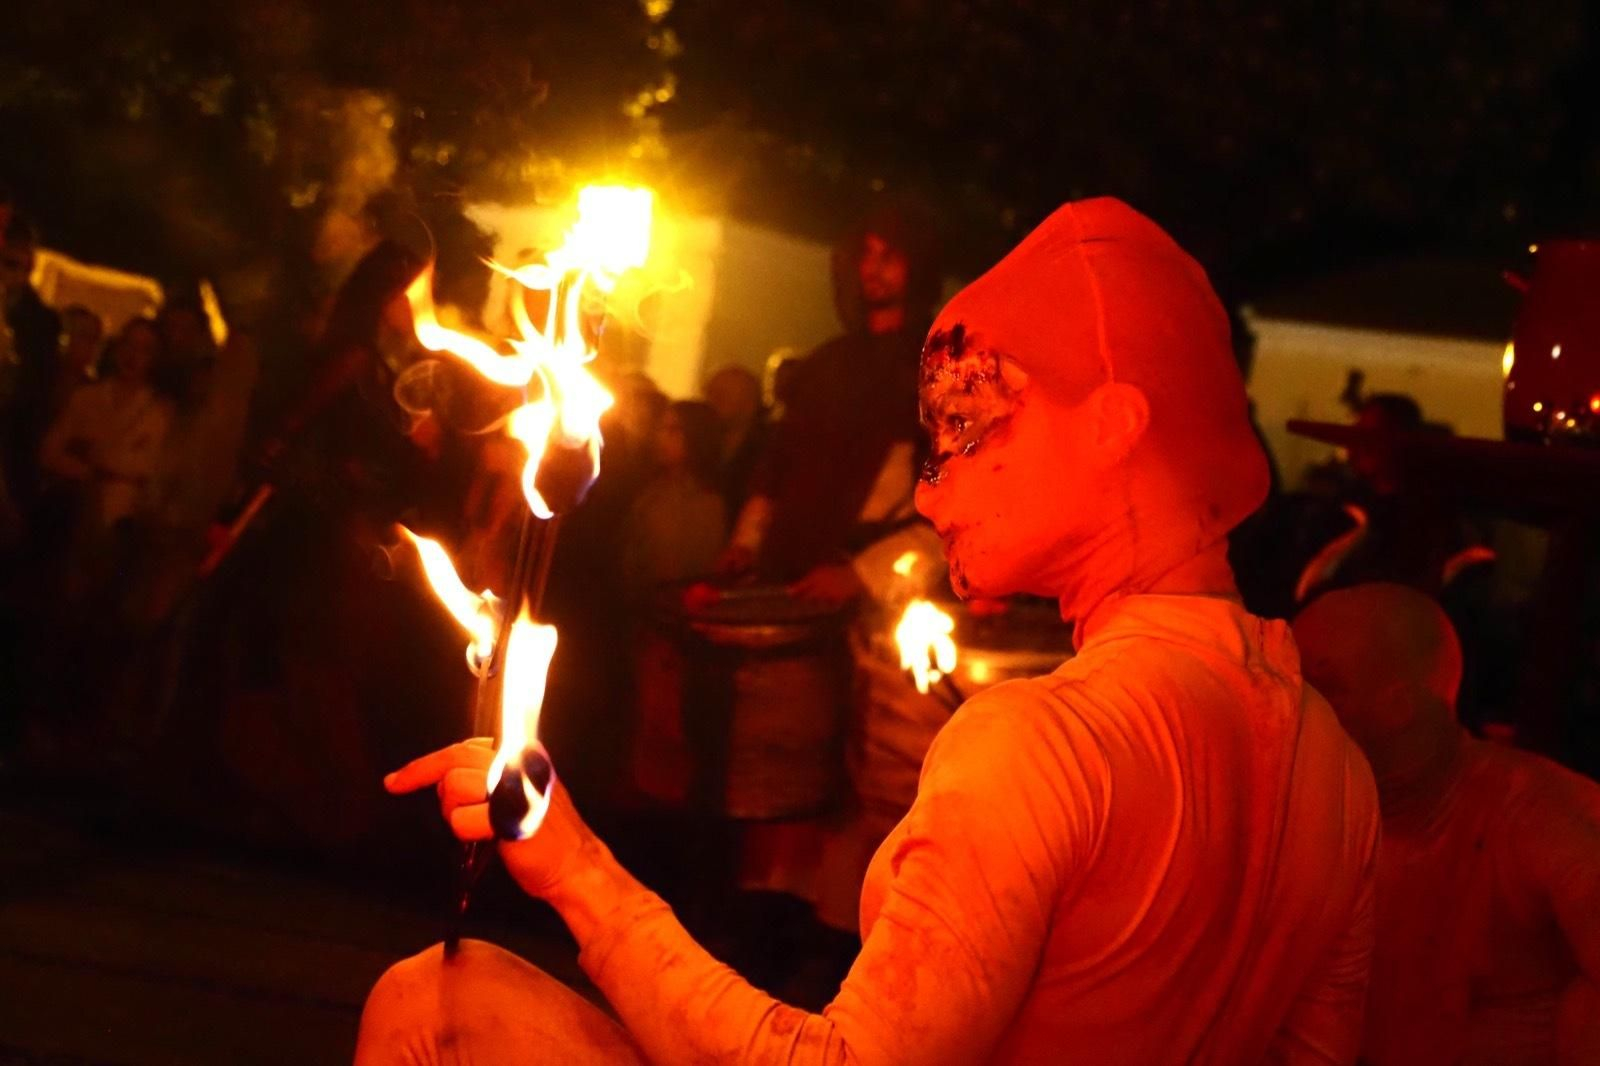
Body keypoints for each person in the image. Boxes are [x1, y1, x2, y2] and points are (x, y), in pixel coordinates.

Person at [360, 198, 1380, 1064]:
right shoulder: (1333, 768)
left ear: (1114, 425)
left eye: (969, 427)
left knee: (432, 1000)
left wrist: (576, 870)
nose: (932, 498)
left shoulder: (1046, 739)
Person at [1293, 584, 1600, 1065]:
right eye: (1286, 681)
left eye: (1321, 687)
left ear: (1398, 706)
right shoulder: (1302, 819)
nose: (1292, 706)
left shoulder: (1534, 814)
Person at [718, 210, 939, 607]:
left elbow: (957, 502)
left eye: (889, 256)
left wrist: (864, 575)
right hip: (786, 581)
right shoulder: (826, 363)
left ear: (917, 264)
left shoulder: (942, 365)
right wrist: (746, 545)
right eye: (867, 255)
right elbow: (778, 464)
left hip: (873, 600)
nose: (873, 268)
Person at [618, 399, 728, 598]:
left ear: (697, 435)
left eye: (674, 431)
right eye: (661, 429)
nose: (661, 438)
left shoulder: (708, 501)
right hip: (641, 607)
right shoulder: (650, 489)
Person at [702, 364, 767, 518]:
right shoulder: (700, 445)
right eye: (709, 393)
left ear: (749, 403)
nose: (710, 402)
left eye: (721, 396)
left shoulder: (769, 453)